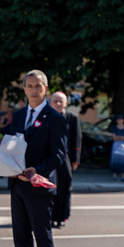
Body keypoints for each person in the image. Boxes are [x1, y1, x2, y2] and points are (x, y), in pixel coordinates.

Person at [1, 70, 67, 247]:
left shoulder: (55, 118)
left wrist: (36, 170)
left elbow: (59, 155)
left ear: (45, 88)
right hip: (17, 186)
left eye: (38, 86)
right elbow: (10, 147)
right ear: (24, 89)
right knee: (20, 236)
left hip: (39, 186)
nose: (34, 90)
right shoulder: (18, 116)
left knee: (42, 236)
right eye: (30, 86)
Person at [50, 91, 81, 228]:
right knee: (49, 188)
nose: (57, 104)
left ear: (65, 103)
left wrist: (75, 159)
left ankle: (62, 216)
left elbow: (77, 139)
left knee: (65, 186)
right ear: (50, 102)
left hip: (65, 158)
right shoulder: (46, 116)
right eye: (55, 101)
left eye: (60, 101)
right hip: (48, 158)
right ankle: (49, 216)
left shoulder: (72, 118)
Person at [110, 114, 124, 181]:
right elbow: (114, 138)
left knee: (123, 159)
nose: (120, 121)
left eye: (121, 119)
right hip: (116, 145)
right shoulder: (115, 128)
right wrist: (122, 137)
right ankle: (114, 176)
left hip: (123, 145)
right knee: (115, 159)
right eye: (118, 119)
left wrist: (120, 137)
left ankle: (123, 176)